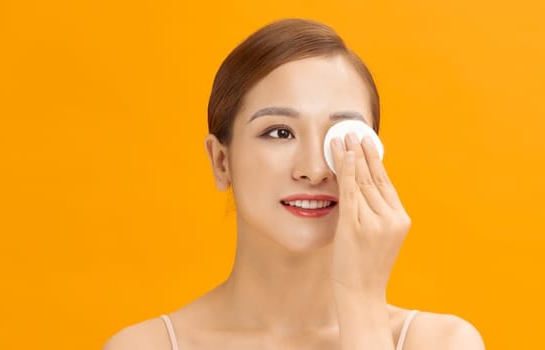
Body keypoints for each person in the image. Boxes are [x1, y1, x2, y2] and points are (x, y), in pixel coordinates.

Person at [103, 18, 484, 350]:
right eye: (280, 132)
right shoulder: (145, 346)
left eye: (340, 135)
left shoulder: (440, 343)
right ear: (221, 161)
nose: (315, 169)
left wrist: (360, 301)